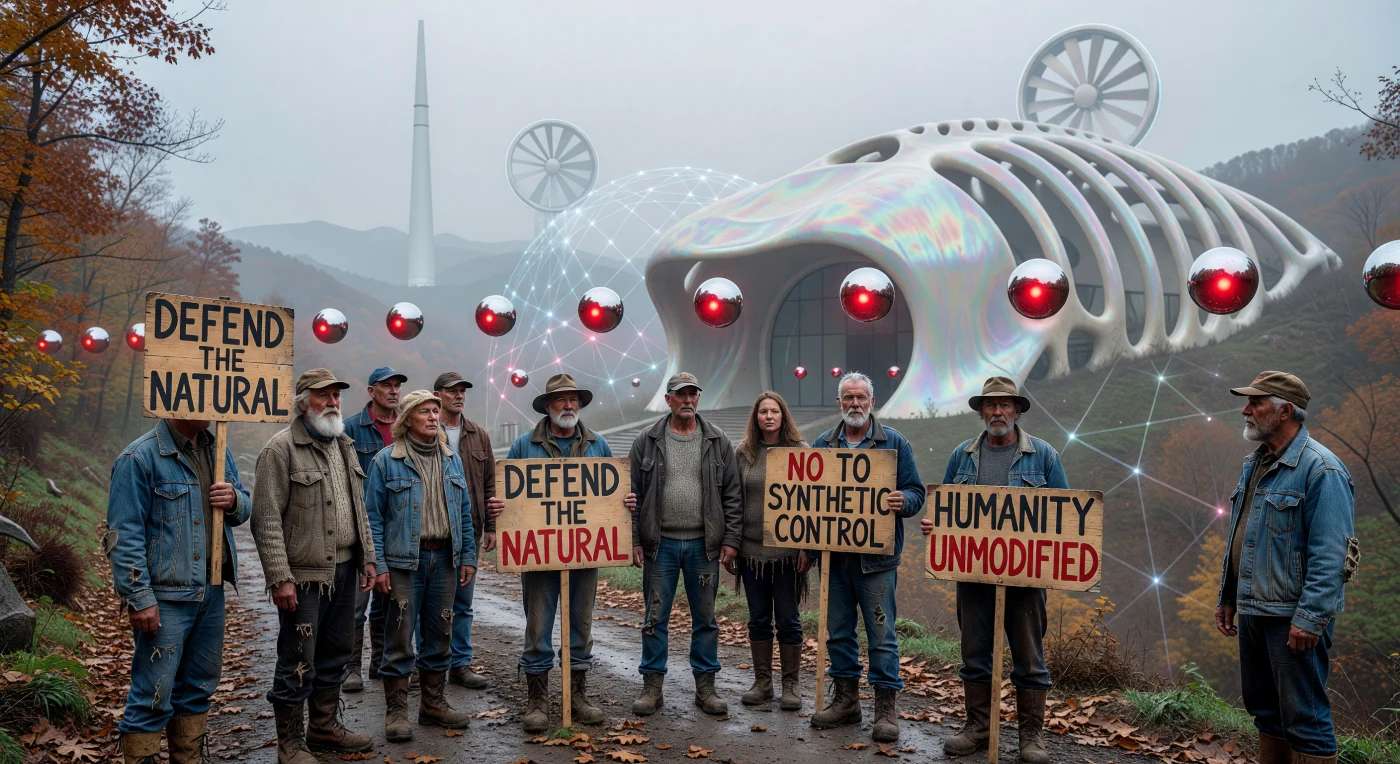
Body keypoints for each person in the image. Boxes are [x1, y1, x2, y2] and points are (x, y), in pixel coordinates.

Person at [923, 376, 1067, 763]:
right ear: (981, 412)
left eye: (1005, 405)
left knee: (1030, 658)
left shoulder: (1045, 456)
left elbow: (1067, 518)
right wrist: (935, 524)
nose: (998, 412)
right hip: (972, 576)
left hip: (1026, 580)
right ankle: (977, 729)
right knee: (974, 655)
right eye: (991, 405)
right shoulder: (962, 456)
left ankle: (1030, 739)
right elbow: (945, 509)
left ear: (1017, 411)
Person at [1215, 372, 1355, 764]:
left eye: (1255, 403)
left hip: (1292, 620)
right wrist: (1228, 597)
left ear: (1285, 411)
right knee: (1266, 714)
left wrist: (1310, 619)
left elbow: (1331, 556)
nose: (1246, 410)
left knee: (1305, 719)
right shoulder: (1255, 463)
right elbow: (1242, 533)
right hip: (1255, 610)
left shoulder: (1323, 471)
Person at [486, 373, 636, 731]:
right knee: (538, 627)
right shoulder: (525, 445)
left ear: (579, 405)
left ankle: (577, 695)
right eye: (560, 400)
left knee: (581, 626)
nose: (568, 406)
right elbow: (512, 498)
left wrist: (624, 502)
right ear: (548, 406)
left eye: (573, 400)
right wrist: (498, 509)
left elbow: (607, 499)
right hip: (537, 556)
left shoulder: (597, 444)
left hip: (586, 553)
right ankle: (537, 700)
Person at [107, 416, 252, 763]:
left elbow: (244, 507)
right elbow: (123, 535)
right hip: (166, 599)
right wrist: (139, 598)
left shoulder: (219, 450)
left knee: (198, 691)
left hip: (210, 591)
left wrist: (234, 500)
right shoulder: (139, 457)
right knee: (152, 696)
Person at [252, 370, 377, 762]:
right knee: (297, 658)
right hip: (303, 578)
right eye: (324, 396)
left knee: (337, 651)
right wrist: (279, 577)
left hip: (344, 570)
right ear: (303, 401)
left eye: (337, 395)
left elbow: (360, 509)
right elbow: (266, 519)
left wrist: (368, 557)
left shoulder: (346, 444)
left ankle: (322, 728)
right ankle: (289, 745)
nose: (333, 402)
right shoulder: (280, 449)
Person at [809, 371, 925, 743]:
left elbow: (916, 492)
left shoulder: (894, 443)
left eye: (861, 397)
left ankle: (885, 709)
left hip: (876, 562)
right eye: (848, 398)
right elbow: (806, 503)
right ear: (838, 403)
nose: (854, 404)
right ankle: (846, 702)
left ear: (872, 402)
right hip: (834, 560)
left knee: (881, 634)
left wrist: (902, 501)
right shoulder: (822, 445)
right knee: (838, 632)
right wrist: (808, 550)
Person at [628, 372, 743, 718]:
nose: (688, 400)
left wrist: (731, 540)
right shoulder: (646, 440)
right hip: (659, 545)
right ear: (668, 400)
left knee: (706, 618)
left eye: (693, 394)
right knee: (654, 616)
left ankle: (706, 688)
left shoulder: (717, 440)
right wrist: (634, 539)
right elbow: (630, 495)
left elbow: (733, 495)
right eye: (681, 395)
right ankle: (652, 687)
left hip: (703, 547)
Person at [364, 390, 477, 742]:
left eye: (435, 411)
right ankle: (397, 713)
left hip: (444, 558)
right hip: (402, 564)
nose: (432, 417)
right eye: (424, 411)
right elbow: (373, 519)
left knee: (440, 633)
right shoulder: (386, 461)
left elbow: (463, 512)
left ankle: (433, 705)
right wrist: (378, 564)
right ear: (407, 418)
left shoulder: (451, 459)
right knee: (398, 638)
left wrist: (469, 555)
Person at [728, 391, 809, 711]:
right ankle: (763, 683)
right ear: (756, 417)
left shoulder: (800, 451)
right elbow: (733, 500)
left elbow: (811, 503)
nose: (769, 416)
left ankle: (791, 684)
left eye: (775, 411)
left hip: (788, 553)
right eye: (763, 411)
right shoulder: (743, 453)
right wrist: (732, 544)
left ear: (783, 415)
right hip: (751, 551)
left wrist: (807, 548)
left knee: (788, 619)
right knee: (759, 619)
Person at [341, 366, 407, 692]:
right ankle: (349, 668)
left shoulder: (407, 428)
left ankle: (379, 662)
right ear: (371, 391)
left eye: (397, 386)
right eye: (386, 386)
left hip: (397, 529)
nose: (394, 391)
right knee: (356, 603)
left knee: (388, 600)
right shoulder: (350, 429)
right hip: (359, 529)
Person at [432, 371, 495, 690]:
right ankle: (427, 665)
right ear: (438, 395)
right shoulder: (428, 431)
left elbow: (490, 484)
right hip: (433, 530)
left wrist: (491, 527)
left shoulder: (479, 435)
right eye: (452, 391)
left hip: (469, 530)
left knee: (463, 603)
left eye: (463, 391)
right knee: (429, 605)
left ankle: (460, 664)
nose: (459, 395)